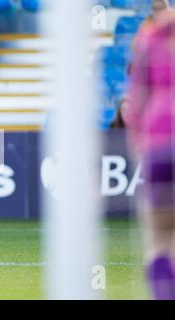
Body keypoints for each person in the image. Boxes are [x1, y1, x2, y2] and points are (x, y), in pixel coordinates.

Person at [125, 12, 175, 299]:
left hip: (159, 146)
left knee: (159, 241)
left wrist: (138, 145)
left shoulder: (150, 39)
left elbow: (137, 101)